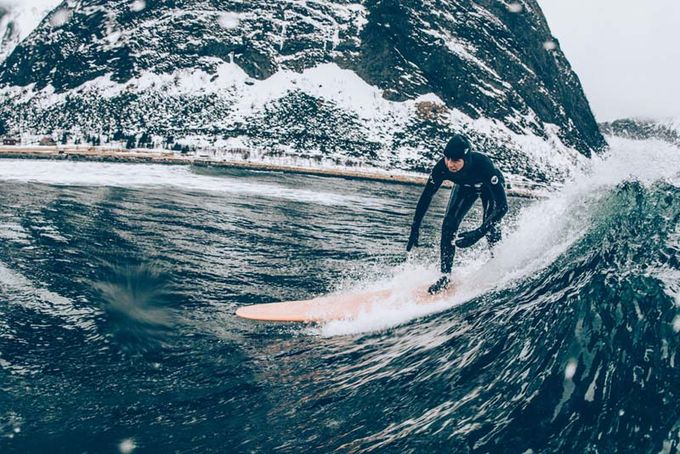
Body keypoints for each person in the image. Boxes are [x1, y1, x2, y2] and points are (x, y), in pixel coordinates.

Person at [406, 133, 508, 294]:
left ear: (465, 159)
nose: (450, 164)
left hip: (489, 187)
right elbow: (426, 196)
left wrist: (477, 234)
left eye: (455, 160)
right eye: (447, 158)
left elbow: (502, 207)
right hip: (465, 188)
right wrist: (415, 226)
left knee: (490, 224)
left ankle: (499, 263)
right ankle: (445, 276)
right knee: (448, 225)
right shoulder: (441, 168)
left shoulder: (484, 165)